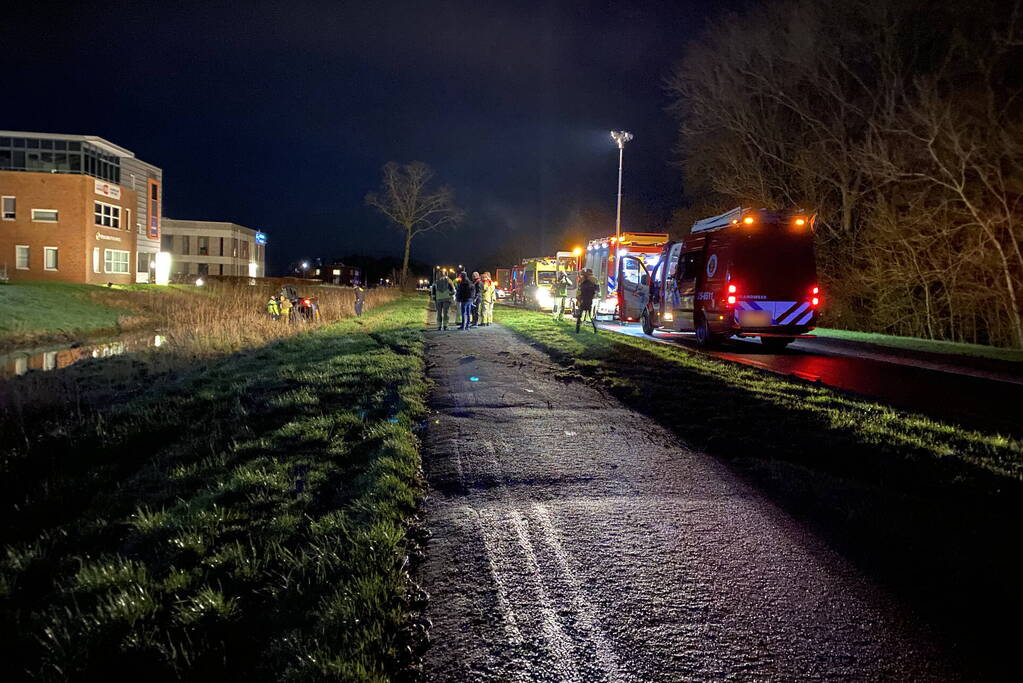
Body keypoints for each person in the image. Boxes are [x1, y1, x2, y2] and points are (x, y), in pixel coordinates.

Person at [575, 269, 598, 334]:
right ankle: (595, 329)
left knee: (579, 316)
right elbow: (595, 291)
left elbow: (579, 293)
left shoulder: (583, 285)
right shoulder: (592, 284)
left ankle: (577, 330)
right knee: (591, 316)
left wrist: (578, 299)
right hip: (589, 302)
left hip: (583, 302)